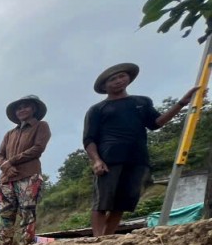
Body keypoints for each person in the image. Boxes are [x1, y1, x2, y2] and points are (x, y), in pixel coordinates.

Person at [84, 63, 199, 236]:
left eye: (121, 76)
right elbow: (89, 139)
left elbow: (156, 123)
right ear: (104, 86)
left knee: (122, 203)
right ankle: (97, 239)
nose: (118, 81)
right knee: (103, 201)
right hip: (110, 158)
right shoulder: (98, 109)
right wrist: (97, 160)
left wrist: (181, 103)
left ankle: (107, 238)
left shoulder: (141, 102)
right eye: (112, 79)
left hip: (137, 158)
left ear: (128, 78)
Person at [0, 95, 51, 245]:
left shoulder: (41, 126)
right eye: (19, 108)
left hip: (29, 176)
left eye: (26, 106)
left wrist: (11, 161)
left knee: (27, 212)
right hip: (7, 179)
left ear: (34, 109)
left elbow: (37, 149)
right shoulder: (9, 134)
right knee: (6, 213)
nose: (22, 110)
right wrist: (6, 166)